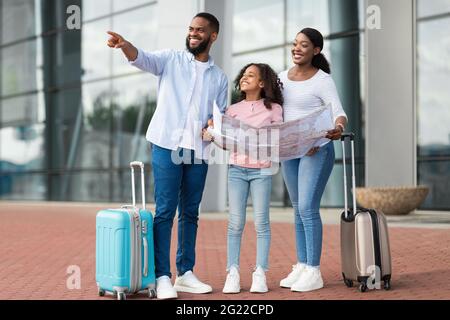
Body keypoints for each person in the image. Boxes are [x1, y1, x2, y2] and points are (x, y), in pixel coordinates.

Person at [106, 12, 228, 300]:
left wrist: (214, 127)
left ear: (213, 36)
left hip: (198, 151)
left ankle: (185, 273)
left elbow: (218, 117)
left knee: (190, 212)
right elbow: (143, 58)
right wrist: (125, 45)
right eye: (190, 29)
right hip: (166, 145)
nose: (193, 33)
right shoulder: (172, 59)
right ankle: (162, 276)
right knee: (165, 211)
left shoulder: (219, 77)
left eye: (200, 30)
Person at [278, 28, 348, 292]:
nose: (297, 48)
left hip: (316, 150)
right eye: (295, 44)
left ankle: (314, 271)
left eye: (304, 45)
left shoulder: (322, 80)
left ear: (316, 50)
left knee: (307, 207)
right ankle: (303, 264)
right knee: (298, 209)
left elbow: (339, 113)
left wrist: (338, 128)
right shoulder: (281, 78)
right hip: (290, 152)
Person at [203, 63, 283, 294]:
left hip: (262, 171)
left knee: (261, 223)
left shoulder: (274, 109)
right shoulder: (232, 110)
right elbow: (227, 143)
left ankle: (260, 273)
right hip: (237, 169)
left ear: (262, 83)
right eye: (244, 75)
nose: (245, 78)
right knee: (235, 224)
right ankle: (233, 273)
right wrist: (212, 134)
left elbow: (277, 138)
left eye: (251, 75)